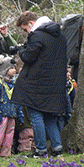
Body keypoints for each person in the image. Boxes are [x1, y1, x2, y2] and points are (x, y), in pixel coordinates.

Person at [14, 11, 68, 157]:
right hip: (54, 84)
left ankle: (41, 149)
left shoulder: (37, 35)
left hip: (36, 83)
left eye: (25, 29)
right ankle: (57, 147)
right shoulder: (60, 36)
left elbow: (28, 57)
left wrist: (21, 48)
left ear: (31, 23)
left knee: (36, 116)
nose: (26, 32)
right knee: (50, 117)